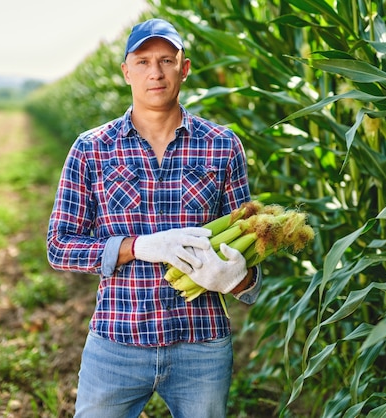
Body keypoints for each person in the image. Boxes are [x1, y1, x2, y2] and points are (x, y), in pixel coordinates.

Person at [47, 17, 262, 418]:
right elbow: (59, 246)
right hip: (116, 342)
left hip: (201, 346)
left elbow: (250, 255)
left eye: (166, 60)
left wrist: (236, 279)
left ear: (185, 67)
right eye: (143, 61)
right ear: (126, 71)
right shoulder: (91, 149)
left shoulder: (222, 146)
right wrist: (137, 247)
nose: (155, 72)